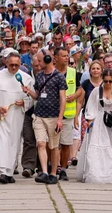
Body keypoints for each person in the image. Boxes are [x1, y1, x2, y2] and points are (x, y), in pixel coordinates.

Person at [76, 68, 112, 183]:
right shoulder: (96, 91)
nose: (108, 84)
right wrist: (90, 119)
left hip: (111, 122)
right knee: (98, 146)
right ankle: (96, 172)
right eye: (106, 81)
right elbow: (91, 106)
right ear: (102, 79)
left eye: (110, 81)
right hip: (98, 122)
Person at [0, 53, 33, 184]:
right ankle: (3, 172)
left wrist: (24, 102)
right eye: (11, 65)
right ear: (6, 63)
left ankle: (9, 172)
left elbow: (32, 98)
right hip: (1, 116)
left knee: (13, 144)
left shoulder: (26, 78)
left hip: (16, 116)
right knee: (0, 144)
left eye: (16, 65)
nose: (14, 67)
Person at [24, 49, 66, 185]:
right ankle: (44, 172)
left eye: (40, 61)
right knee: (41, 143)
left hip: (53, 116)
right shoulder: (39, 76)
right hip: (40, 115)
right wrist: (28, 91)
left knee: (54, 146)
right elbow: (37, 95)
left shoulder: (59, 76)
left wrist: (60, 118)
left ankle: (53, 172)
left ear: (47, 59)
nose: (39, 63)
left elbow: (63, 99)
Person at [53, 47, 83, 181]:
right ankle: (54, 166)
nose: (66, 58)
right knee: (53, 144)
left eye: (67, 56)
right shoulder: (51, 72)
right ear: (56, 58)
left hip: (68, 114)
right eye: (63, 56)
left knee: (66, 143)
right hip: (52, 113)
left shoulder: (72, 72)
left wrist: (74, 95)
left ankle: (64, 168)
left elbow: (80, 90)